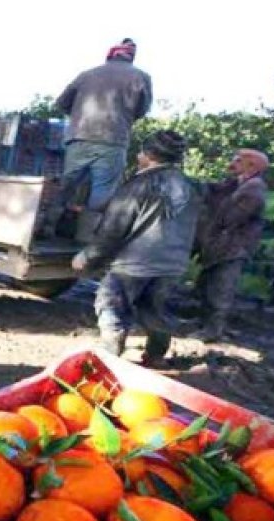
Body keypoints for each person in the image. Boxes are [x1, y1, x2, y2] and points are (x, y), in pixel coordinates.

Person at [71, 130, 199, 367]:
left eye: (141, 152)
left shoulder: (139, 184)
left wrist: (88, 256)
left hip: (134, 264)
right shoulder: (192, 187)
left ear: (149, 155)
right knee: (155, 309)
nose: (138, 156)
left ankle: (109, 359)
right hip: (173, 265)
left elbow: (114, 228)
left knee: (111, 306)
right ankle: (156, 356)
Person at [44, 39, 153, 238]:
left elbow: (61, 103)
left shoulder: (87, 74)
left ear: (111, 54)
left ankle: (46, 228)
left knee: (66, 185)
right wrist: (122, 116)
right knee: (102, 192)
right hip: (113, 140)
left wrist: (78, 115)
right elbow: (142, 109)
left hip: (79, 137)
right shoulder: (141, 77)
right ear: (132, 57)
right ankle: (85, 240)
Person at [193, 149, 270, 341]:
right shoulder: (237, 183)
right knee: (207, 286)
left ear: (252, 166)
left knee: (220, 290)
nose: (231, 164)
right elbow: (213, 190)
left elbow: (230, 219)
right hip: (222, 247)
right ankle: (206, 326)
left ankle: (213, 331)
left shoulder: (253, 188)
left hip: (233, 248)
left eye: (237, 160)